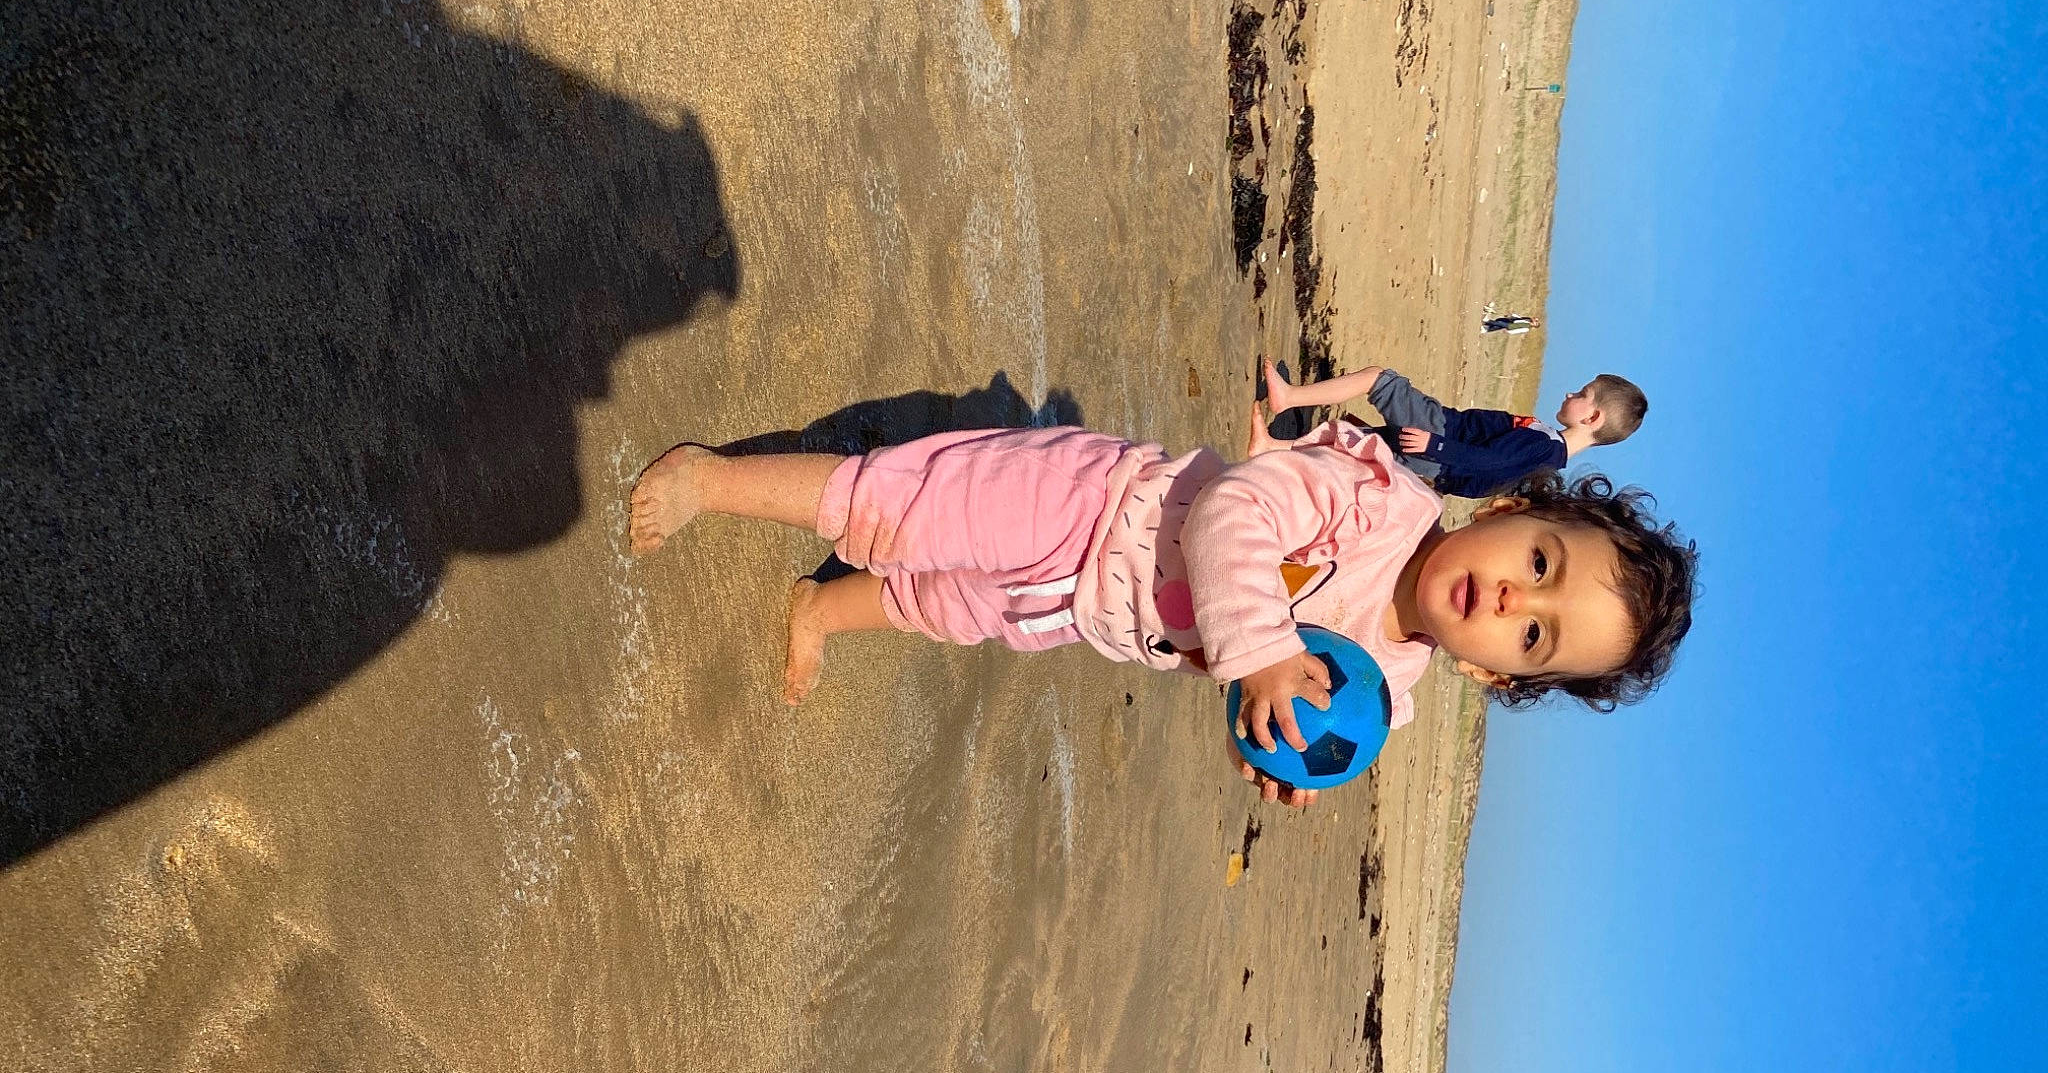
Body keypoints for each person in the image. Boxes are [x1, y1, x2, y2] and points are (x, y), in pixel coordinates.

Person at [627, 387, 1696, 806]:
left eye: (1532, 632)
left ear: (1490, 671)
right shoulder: (1378, 502)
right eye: (1541, 563)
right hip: (1092, 504)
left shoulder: (1388, 687)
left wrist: (1274, 743)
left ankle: (823, 611)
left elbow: (1264, 699)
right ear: (1506, 512)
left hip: (1095, 610)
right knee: (901, 513)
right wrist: (1264, 653)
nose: (1511, 593)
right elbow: (1236, 516)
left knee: (945, 607)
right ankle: (712, 477)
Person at [1263, 358, 1648, 500]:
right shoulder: (1547, 454)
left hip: (1441, 435)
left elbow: (1488, 463)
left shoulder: (1544, 449)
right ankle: (1273, 448)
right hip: (1441, 446)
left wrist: (1437, 447)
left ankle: (1288, 397)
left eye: (1583, 393)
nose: (1571, 392)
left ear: (1592, 418)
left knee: (1380, 380)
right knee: (1352, 440)